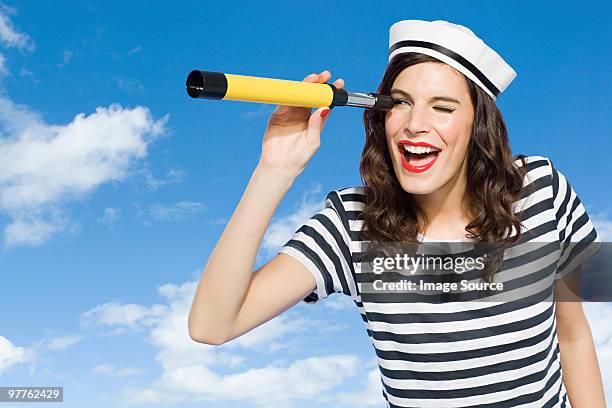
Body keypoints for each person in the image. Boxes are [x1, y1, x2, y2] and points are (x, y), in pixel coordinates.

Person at [188, 19, 605, 407]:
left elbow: (572, 336)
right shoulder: (350, 226)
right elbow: (211, 325)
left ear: (480, 126)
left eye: (442, 107)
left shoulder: (541, 191)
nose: (414, 124)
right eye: (401, 103)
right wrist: (274, 170)